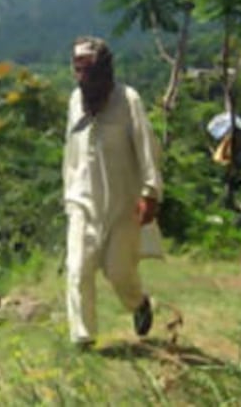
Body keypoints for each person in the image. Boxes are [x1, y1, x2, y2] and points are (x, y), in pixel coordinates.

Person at [62, 36, 163, 348]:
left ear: (103, 69)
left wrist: (150, 192)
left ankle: (139, 304)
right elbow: (71, 152)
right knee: (78, 268)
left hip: (122, 204)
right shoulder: (75, 101)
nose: (82, 77)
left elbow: (146, 146)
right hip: (82, 201)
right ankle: (83, 338)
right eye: (77, 69)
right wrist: (68, 193)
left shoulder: (128, 99)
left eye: (88, 69)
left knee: (120, 272)